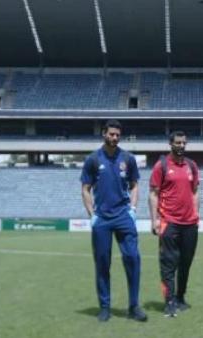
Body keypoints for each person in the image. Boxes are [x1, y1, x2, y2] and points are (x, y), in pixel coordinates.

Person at [80, 119, 147, 323]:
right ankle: (105, 307)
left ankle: (134, 306)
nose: (114, 137)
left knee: (133, 259)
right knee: (102, 263)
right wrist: (92, 215)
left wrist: (133, 209)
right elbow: (85, 189)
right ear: (104, 134)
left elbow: (135, 185)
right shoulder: (93, 159)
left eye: (117, 135)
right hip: (102, 220)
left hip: (123, 218)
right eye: (111, 134)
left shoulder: (128, 158)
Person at [148, 131, 200, 318]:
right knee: (169, 263)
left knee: (185, 263)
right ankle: (169, 302)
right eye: (178, 142)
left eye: (184, 143)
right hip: (169, 222)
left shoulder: (192, 166)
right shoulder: (161, 165)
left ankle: (180, 297)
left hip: (190, 224)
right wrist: (154, 220)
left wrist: (196, 214)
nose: (181, 146)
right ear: (170, 144)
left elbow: (195, 192)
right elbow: (153, 194)